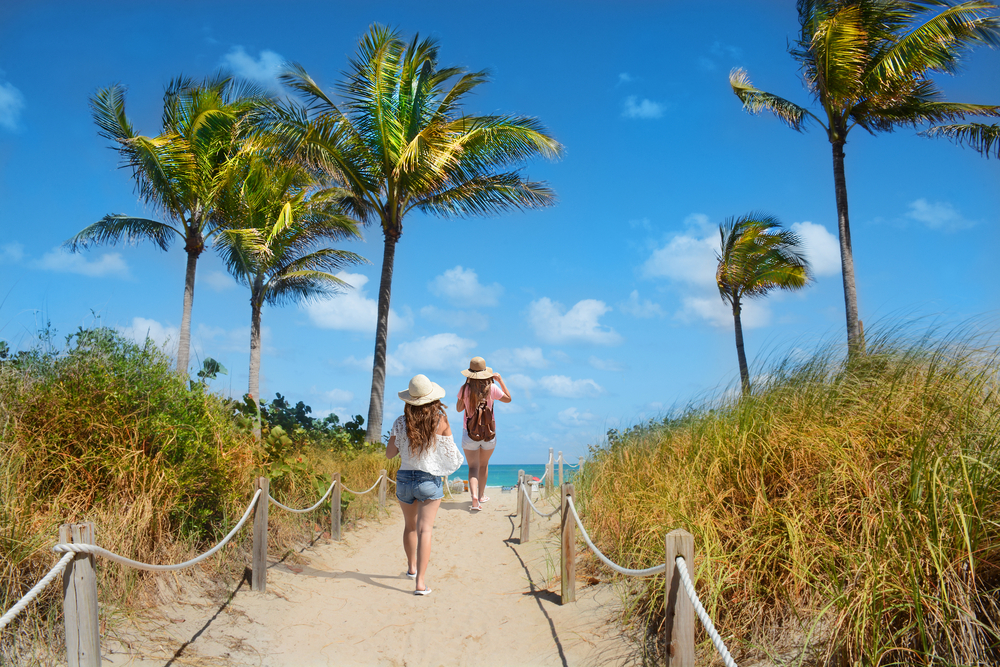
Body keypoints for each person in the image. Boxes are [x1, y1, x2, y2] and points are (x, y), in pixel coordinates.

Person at [385, 374, 453, 596]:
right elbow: (450, 457)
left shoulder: (399, 422)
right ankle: (420, 583)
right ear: (433, 399)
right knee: (426, 530)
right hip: (428, 479)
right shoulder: (441, 421)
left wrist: (399, 440)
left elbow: (389, 454)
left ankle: (411, 568)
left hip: (404, 478)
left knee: (410, 526)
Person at [456, 356, 512, 511]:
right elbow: (508, 399)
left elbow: (459, 408)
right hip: (489, 433)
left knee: (473, 467)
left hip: (469, 433)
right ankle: (481, 495)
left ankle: (474, 497)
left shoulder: (464, 389)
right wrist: (500, 380)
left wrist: (465, 391)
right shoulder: (492, 388)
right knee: (483, 465)